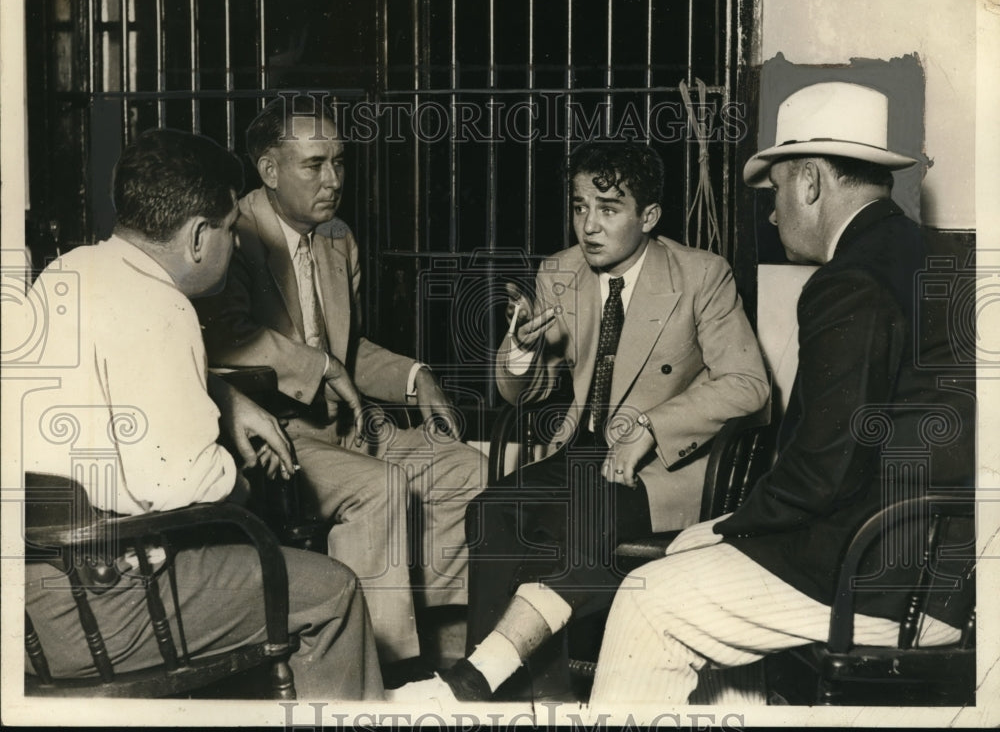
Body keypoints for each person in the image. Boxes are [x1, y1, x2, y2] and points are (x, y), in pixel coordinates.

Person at [587, 81, 976, 705]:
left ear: (811, 182)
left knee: (648, 600)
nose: (771, 214)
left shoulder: (848, 281)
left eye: (774, 193)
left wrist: (731, 527)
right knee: (700, 579)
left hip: (873, 576)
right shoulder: (940, 258)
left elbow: (825, 470)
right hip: (945, 572)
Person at [394, 141, 769, 702]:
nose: (589, 226)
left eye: (609, 208)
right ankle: (525, 702)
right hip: (580, 453)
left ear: (649, 217)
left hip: (659, 470)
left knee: (570, 529)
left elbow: (749, 385)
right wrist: (520, 353)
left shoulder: (701, 275)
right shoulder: (561, 272)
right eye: (578, 207)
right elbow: (527, 391)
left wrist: (651, 425)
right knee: (492, 513)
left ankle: (495, 689)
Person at [22, 128, 383, 699]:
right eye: (230, 230)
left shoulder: (67, 271)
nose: (235, 245)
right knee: (332, 591)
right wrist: (237, 478)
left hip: (25, 600)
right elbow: (189, 486)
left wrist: (220, 393)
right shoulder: (166, 307)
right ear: (196, 237)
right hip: (105, 606)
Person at [194, 96, 487, 665]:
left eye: (340, 162)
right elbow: (228, 339)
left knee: (465, 468)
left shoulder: (336, 238)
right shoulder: (236, 232)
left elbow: (346, 350)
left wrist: (416, 376)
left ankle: (440, 643)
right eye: (315, 164)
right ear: (270, 170)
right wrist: (321, 368)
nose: (333, 179)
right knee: (381, 487)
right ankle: (379, 663)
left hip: (345, 428)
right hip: (280, 436)